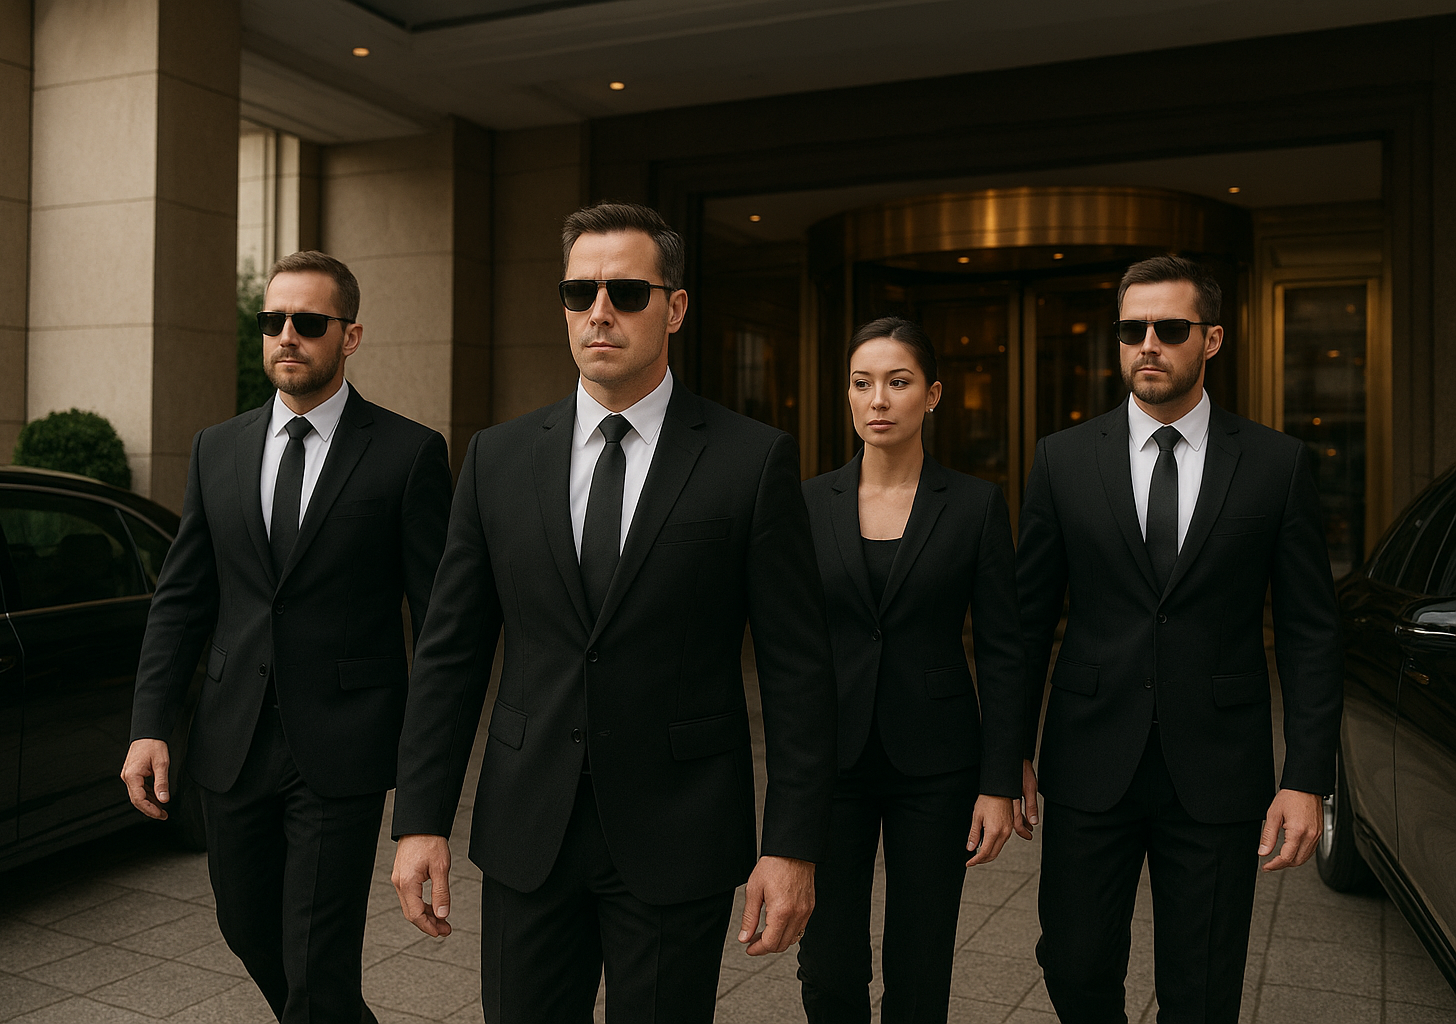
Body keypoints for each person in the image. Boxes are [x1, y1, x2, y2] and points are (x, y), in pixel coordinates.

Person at [389, 202, 837, 1023]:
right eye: (579, 292)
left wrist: (792, 844)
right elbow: (449, 653)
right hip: (528, 830)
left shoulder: (750, 460)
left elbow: (799, 671)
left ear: (676, 307)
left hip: (680, 832)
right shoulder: (496, 458)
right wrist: (419, 820)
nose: (599, 312)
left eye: (627, 292)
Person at [120, 251, 452, 1024]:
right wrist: (149, 724)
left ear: (350, 335)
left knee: (315, 958)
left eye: (309, 321)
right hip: (232, 738)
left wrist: (426, 781)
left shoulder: (408, 454)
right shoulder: (217, 448)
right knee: (247, 928)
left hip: (342, 745)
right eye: (273, 321)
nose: (287, 336)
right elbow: (181, 599)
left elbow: (440, 623)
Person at [1016, 254, 1343, 1022]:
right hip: (1090, 759)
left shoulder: (1276, 464)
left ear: (1213, 339)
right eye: (1132, 330)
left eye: (1169, 327)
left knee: (1202, 991)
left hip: (1218, 769)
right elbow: (1025, 623)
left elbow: (1310, 631)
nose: (1148, 345)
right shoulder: (1062, 459)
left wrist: (1306, 777)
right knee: (1072, 964)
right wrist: (1009, 753)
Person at [796, 317, 1023, 1023]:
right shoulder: (807, 504)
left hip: (937, 763)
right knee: (827, 963)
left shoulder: (976, 505)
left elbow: (1005, 650)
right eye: (862, 383)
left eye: (898, 382)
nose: (878, 400)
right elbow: (789, 645)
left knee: (921, 962)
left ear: (933, 394)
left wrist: (999, 780)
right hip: (832, 762)